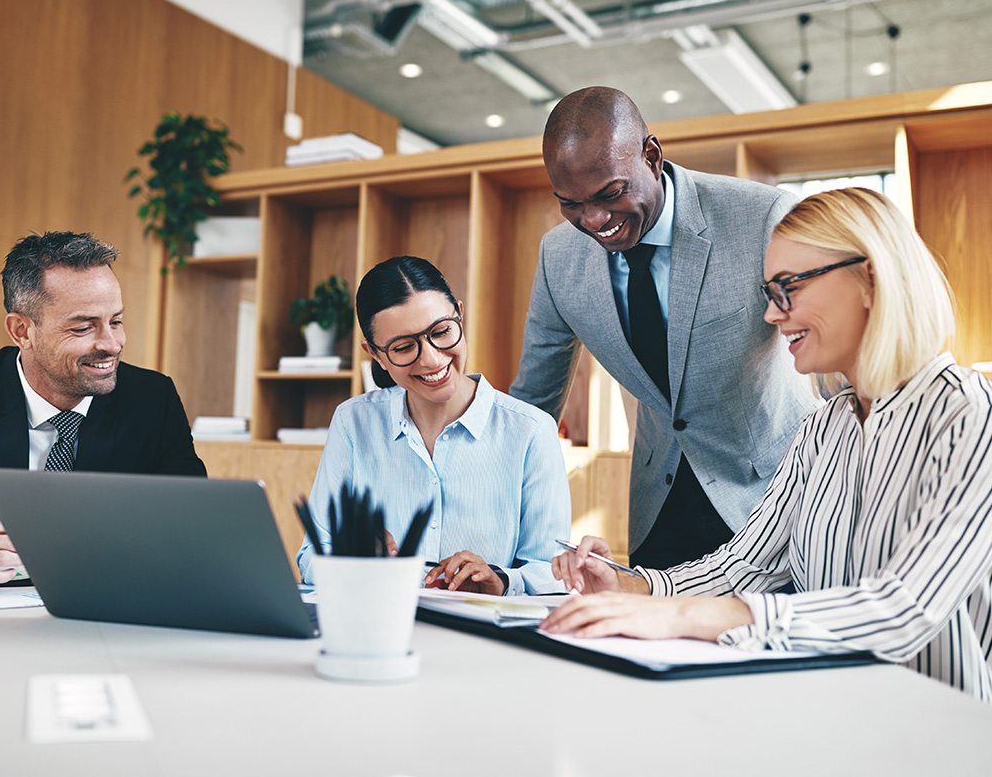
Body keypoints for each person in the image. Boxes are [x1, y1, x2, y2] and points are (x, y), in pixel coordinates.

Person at [542, 188, 992, 702]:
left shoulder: (971, 416)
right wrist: (629, 586)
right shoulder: (823, 430)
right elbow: (745, 564)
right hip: (829, 715)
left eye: (788, 288)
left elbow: (904, 607)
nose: (773, 315)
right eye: (769, 293)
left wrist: (689, 615)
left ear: (870, 277)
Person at [510, 86, 818, 569]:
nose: (594, 220)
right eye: (570, 203)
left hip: (777, 499)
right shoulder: (558, 257)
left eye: (610, 193)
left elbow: (831, 348)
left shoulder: (761, 217)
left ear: (652, 156)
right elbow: (532, 403)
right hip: (660, 509)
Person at [0, 231, 206, 591]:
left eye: (115, 321)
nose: (111, 344)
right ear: (22, 331)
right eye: (83, 327)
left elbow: (193, 532)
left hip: (104, 620)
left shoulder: (153, 400)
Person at [297, 256, 570, 596]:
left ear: (459, 313)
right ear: (376, 354)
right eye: (403, 347)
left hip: (482, 641)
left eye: (441, 332)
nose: (431, 359)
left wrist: (500, 581)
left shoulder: (531, 431)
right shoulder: (354, 423)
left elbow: (552, 575)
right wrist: (350, 561)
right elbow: (311, 556)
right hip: (378, 624)